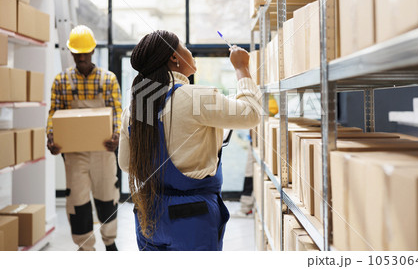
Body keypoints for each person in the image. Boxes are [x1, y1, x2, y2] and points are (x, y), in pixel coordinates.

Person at [118, 30, 261, 251]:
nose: (190, 51)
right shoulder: (197, 97)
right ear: (174, 57)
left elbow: (126, 164)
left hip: (150, 217)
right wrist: (241, 68)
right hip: (192, 218)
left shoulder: (136, 108)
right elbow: (251, 114)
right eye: (185, 46)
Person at [46, 25, 122, 251]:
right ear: (70, 52)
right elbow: (54, 113)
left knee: (107, 198)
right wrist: (51, 137)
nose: (81, 57)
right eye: (76, 53)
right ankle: (86, 248)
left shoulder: (108, 80)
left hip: (103, 151)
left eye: (85, 52)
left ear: (92, 51)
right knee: (78, 203)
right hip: (75, 154)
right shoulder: (61, 81)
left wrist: (116, 136)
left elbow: (116, 111)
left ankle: (110, 243)